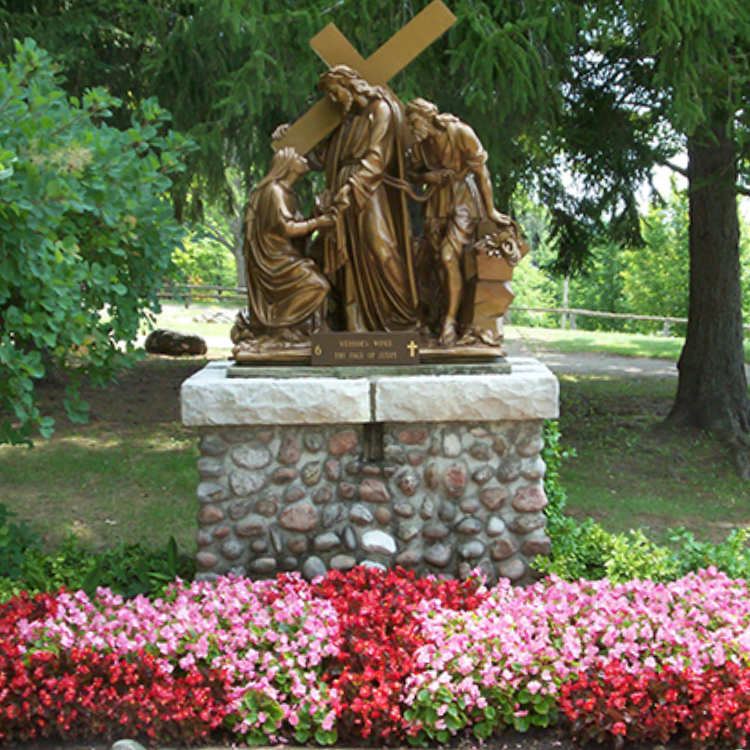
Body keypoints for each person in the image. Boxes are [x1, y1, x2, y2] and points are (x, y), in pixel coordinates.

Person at [317, 65, 418, 333]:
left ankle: (401, 315)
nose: (335, 99)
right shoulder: (348, 119)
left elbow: (377, 159)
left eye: (335, 92)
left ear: (348, 84)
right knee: (349, 253)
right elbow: (329, 156)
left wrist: (352, 187)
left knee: (380, 246)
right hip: (345, 188)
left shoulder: (380, 110)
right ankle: (355, 322)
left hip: (367, 189)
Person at [406, 98, 511, 346]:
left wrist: (491, 210)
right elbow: (412, 174)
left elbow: (481, 174)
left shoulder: (461, 133)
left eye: (414, 122)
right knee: (436, 262)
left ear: (427, 117)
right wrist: (427, 177)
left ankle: (450, 322)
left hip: (462, 200)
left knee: (448, 256)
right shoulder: (420, 145)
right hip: (434, 203)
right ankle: (443, 315)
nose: (412, 129)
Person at [232, 147, 332, 347]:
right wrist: (319, 222)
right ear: (287, 166)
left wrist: (315, 214)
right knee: (317, 285)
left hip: (284, 254)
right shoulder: (274, 191)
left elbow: (297, 231)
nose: (302, 158)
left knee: (318, 274)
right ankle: (278, 326)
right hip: (273, 258)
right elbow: (286, 228)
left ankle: (303, 329)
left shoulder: (286, 192)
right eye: (297, 157)